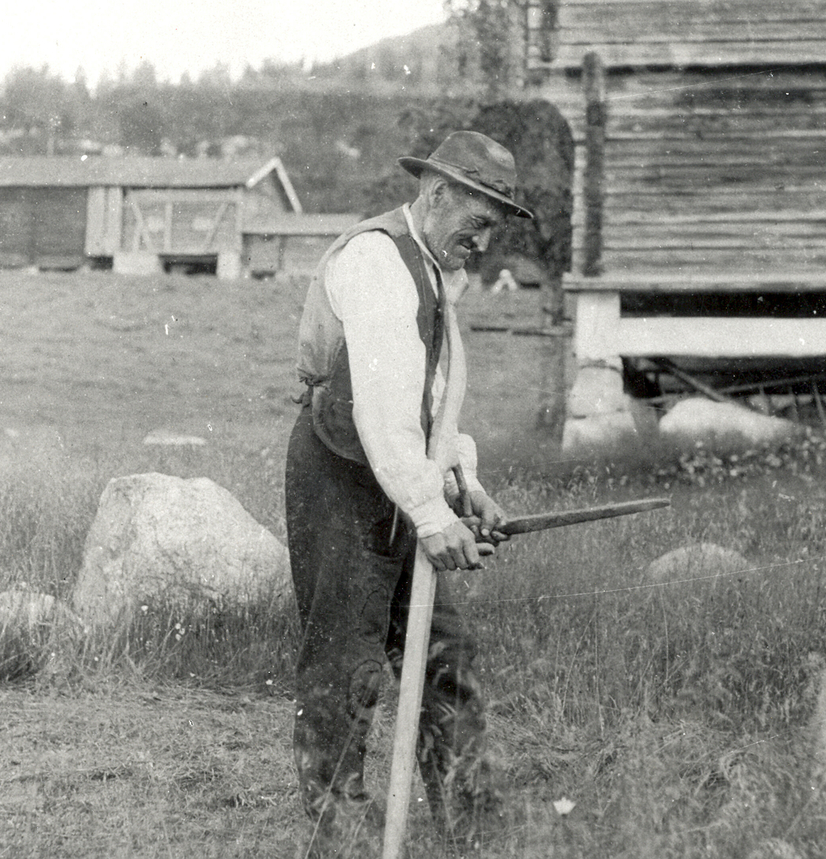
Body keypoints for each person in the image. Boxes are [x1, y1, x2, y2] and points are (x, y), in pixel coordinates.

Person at [285, 130, 533, 856]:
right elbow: (383, 410)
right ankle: (345, 839)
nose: (483, 243)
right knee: (345, 662)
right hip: (338, 469)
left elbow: (431, 404)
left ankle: (472, 828)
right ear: (437, 194)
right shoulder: (378, 262)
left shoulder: (437, 274)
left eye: (494, 228)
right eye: (478, 222)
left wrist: (463, 484)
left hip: (397, 469)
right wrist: (430, 512)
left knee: (447, 654)